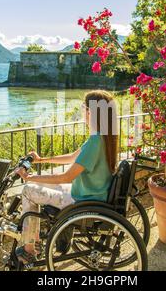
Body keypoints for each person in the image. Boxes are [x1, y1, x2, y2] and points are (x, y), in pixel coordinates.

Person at [15, 90, 119, 264]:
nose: (81, 110)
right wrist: (41, 160)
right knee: (41, 188)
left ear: (91, 112)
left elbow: (66, 177)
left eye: (83, 107)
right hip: (92, 193)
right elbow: (72, 157)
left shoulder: (95, 143)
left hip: (82, 199)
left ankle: (29, 249)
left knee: (27, 191)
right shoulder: (102, 137)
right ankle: (39, 240)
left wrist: (30, 178)